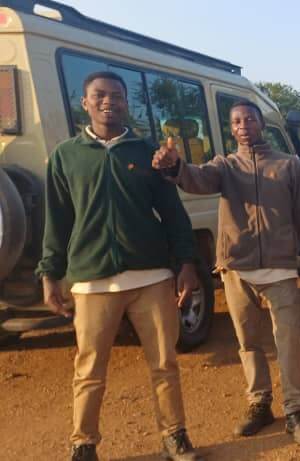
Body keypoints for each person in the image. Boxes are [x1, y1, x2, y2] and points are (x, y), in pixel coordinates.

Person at [36, 71, 202, 461]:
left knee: (164, 362)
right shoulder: (66, 156)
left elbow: (173, 215)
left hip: (152, 277)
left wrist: (187, 263)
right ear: (85, 102)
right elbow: (57, 220)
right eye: (99, 95)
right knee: (89, 369)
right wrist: (49, 274)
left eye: (116, 95)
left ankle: (175, 436)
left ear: (127, 103)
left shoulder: (149, 153)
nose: (108, 101)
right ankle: (83, 443)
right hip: (92, 281)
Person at [152, 100, 300, 445]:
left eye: (250, 119)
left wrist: (296, 247)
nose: (244, 125)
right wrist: (177, 166)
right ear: (231, 128)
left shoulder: (288, 166)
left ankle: (295, 409)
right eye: (237, 121)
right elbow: (196, 180)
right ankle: (259, 404)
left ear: (261, 124)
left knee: (288, 342)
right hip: (237, 270)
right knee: (249, 343)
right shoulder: (224, 166)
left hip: (280, 269)